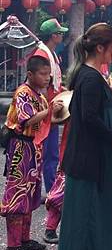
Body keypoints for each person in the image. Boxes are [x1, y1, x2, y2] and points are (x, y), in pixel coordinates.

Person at [43, 68, 112, 247]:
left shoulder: (111, 83)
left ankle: (103, 225)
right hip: (78, 142)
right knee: (65, 184)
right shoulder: (83, 79)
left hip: (103, 142)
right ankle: (51, 227)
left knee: (107, 184)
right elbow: (85, 114)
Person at [57, 23, 112, 250]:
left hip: (93, 157)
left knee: (93, 211)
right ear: (99, 47)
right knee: (80, 214)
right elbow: (89, 117)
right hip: (87, 157)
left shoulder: (91, 75)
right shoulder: (90, 78)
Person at [1, 55, 63, 250]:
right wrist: (48, 111)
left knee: (31, 193)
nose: (47, 78)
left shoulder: (40, 95)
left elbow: (47, 120)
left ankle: (24, 239)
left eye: (48, 74)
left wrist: (59, 112)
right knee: (18, 192)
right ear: (30, 74)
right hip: (20, 147)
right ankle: (13, 245)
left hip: (34, 149)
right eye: (43, 74)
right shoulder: (23, 93)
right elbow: (27, 120)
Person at [33, 18, 68, 193]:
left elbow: (53, 83)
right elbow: (41, 84)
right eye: (60, 33)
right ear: (54, 36)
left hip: (51, 106)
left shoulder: (52, 54)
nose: (62, 36)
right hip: (46, 108)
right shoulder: (42, 54)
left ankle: (51, 188)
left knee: (51, 152)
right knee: (47, 153)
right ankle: (51, 190)